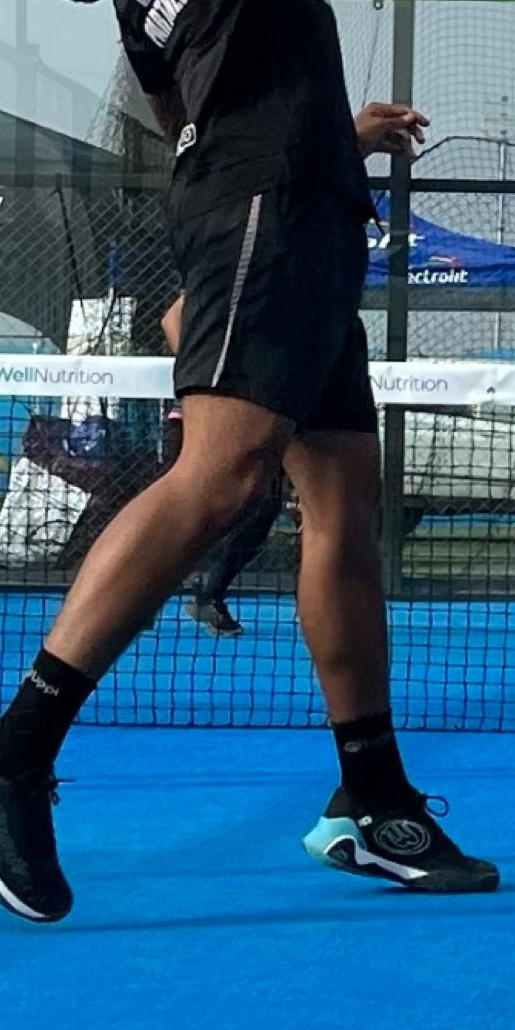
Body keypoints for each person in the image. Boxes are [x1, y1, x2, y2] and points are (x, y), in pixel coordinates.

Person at [0, 0, 498, 920]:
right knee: (222, 476)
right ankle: (10, 747)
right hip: (267, 209)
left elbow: (195, 108)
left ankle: (372, 799)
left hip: (291, 198)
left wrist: (333, 136)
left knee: (341, 497)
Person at [167, 99, 426, 635]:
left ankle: (240, 599)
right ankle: (73, 661)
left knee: (331, 511)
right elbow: (176, 319)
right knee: (215, 503)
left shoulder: (313, 239)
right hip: (250, 395)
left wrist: (352, 144)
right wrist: (222, 387)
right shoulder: (246, 221)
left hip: (301, 381)